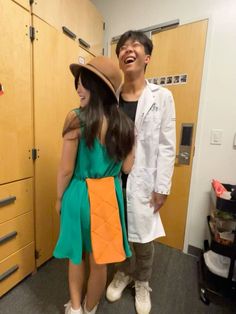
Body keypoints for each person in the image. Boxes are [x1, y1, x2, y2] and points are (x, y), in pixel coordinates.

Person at [53, 56, 135, 314]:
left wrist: (58, 199)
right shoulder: (126, 125)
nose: (78, 88)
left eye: (84, 83)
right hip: (109, 198)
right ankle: (90, 307)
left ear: (99, 88)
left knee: (76, 256)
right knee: (100, 262)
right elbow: (127, 168)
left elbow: (66, 169)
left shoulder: (75, 118)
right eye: (77, 83)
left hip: (78, 195)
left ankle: (75, 308)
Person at [106, 30, 176, 314]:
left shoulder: (162, 96)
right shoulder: (112, 99)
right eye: (122, 47)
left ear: (147, 57)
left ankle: (142, 281)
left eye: (135, 46)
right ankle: (124, 272)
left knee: (144, 239)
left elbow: (167, 145)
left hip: (145, 181)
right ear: (120, 58)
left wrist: (162, 187)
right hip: (113, 178)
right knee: (120, 231)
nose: (127, 50)